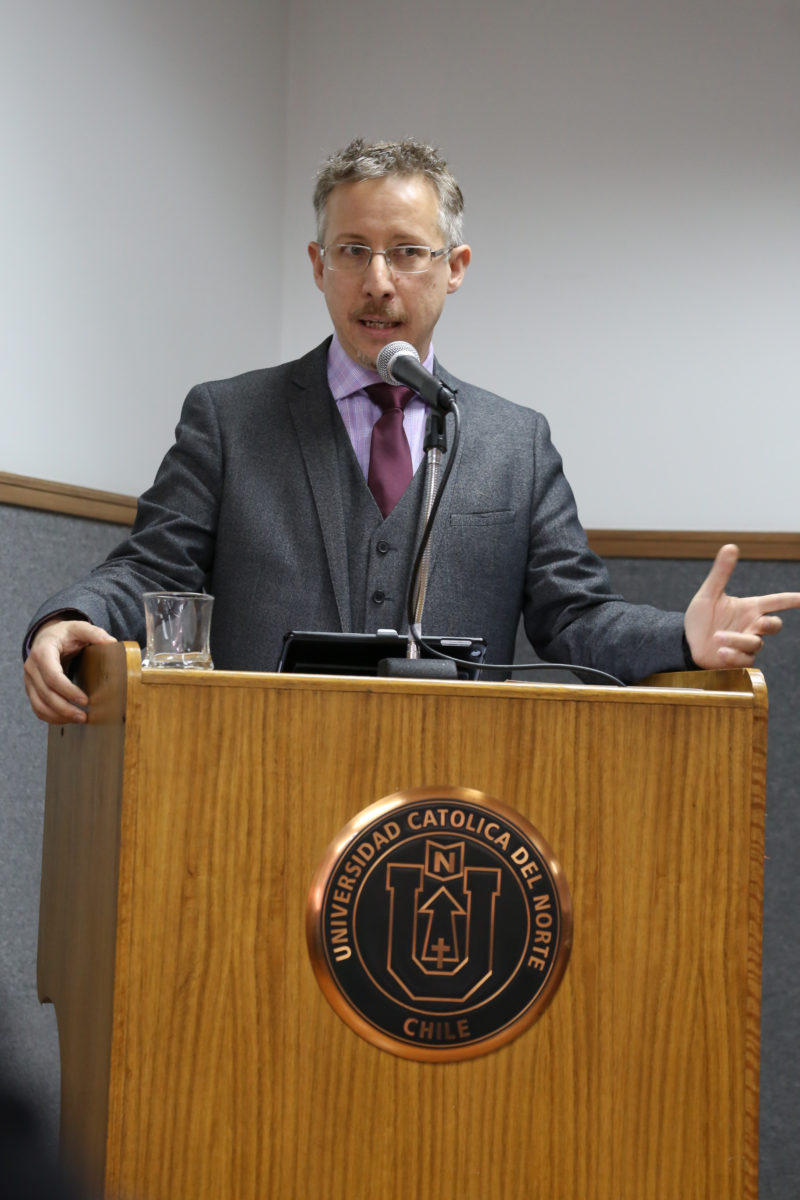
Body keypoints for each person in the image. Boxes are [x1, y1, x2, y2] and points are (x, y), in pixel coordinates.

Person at [23, 137, 800, 724]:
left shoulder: (515, 443)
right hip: (257, 778)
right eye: (353, 251)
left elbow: (574, 616)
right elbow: (152, 571)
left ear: (454, 266)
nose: (378, 282)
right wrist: (70, 617)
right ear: (318, 264)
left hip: (450, 804)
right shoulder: (229, 420)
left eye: (406, 253)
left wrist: (681, 638)